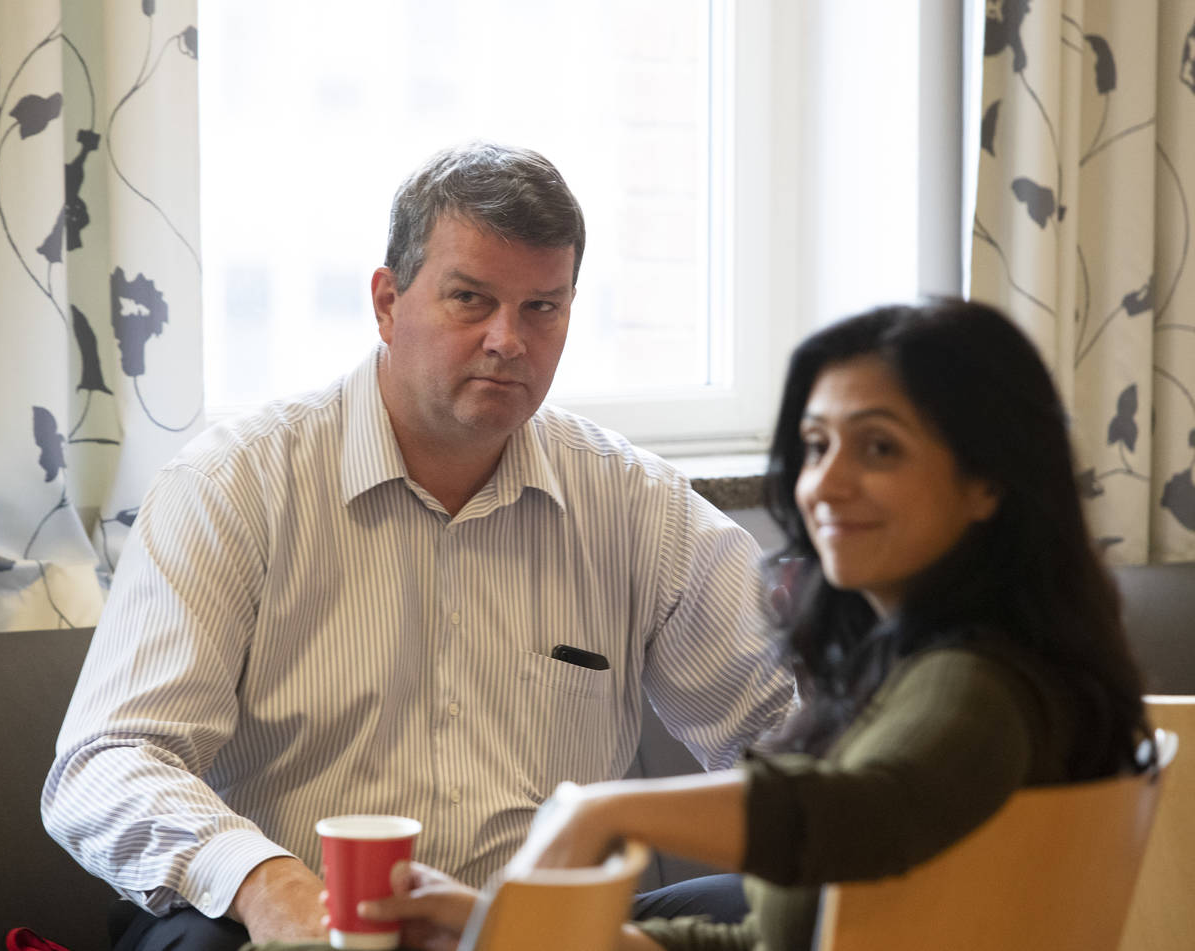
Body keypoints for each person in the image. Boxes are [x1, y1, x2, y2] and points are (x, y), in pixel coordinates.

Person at [41, 142, 796, 950]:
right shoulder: (234, 486)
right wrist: (266, 882)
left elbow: (793, 738)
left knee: (769, 904)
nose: (508, 339)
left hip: (533, 933)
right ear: (387, 301)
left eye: (542, 307)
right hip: (299, 922)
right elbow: (108, 760)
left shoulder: (636, 506)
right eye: (470, 298)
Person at [344, 298, 1150, 951]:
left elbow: (863, 811)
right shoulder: (916, 671)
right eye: (815, 443)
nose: (824, 484)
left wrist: (605, 810)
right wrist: (504, 919)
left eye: (878, 448)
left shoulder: (979, 682)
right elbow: (767, 938)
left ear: (988, 483)